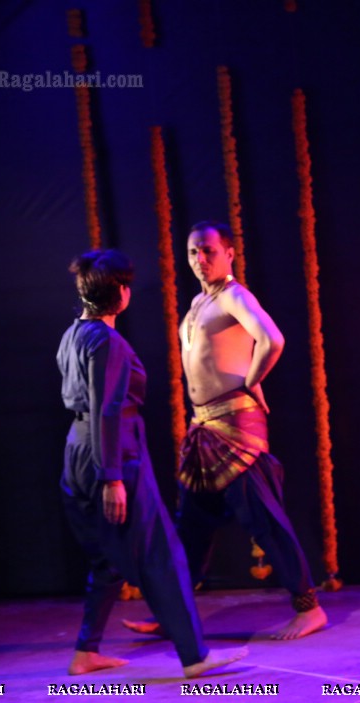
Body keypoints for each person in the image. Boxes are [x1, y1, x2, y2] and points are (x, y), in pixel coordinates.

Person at [125, 221, 326, 640]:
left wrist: (252, 381)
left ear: (230, 253)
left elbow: (271, 339)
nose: (201, 260)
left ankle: (309, 608)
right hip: (204, 428)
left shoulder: (235, 295)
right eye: (194, 252)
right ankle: (173, 614)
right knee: (191, 528)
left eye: (209, 251)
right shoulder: (200, 302)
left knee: (263, 519)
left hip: (234, 425)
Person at [58, 249, 248, 678]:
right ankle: (195, 657)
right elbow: (108, 408)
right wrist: (112, 479)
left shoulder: (73, 334)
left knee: (106, 559)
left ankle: (85, 651)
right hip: (113, 453)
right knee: (161, 553)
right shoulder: (106, 342)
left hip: (78, 450)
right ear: (121, 294)